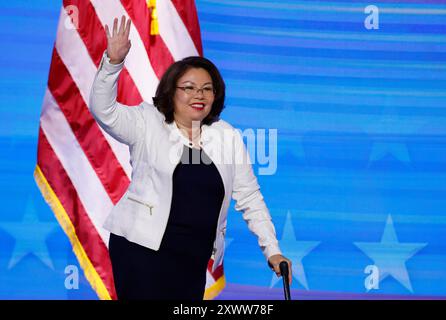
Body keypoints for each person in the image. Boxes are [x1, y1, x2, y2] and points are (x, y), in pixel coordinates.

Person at [90, 16, 292, 300]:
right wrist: (112, 63)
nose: (199, 94)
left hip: (192, 258)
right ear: (172, 92)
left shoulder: (226, 135)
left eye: (207, 88)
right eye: (189, 87)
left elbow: (249, 197)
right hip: (141, 249)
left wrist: (273, 249)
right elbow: (104, 110)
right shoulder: (147, 121)